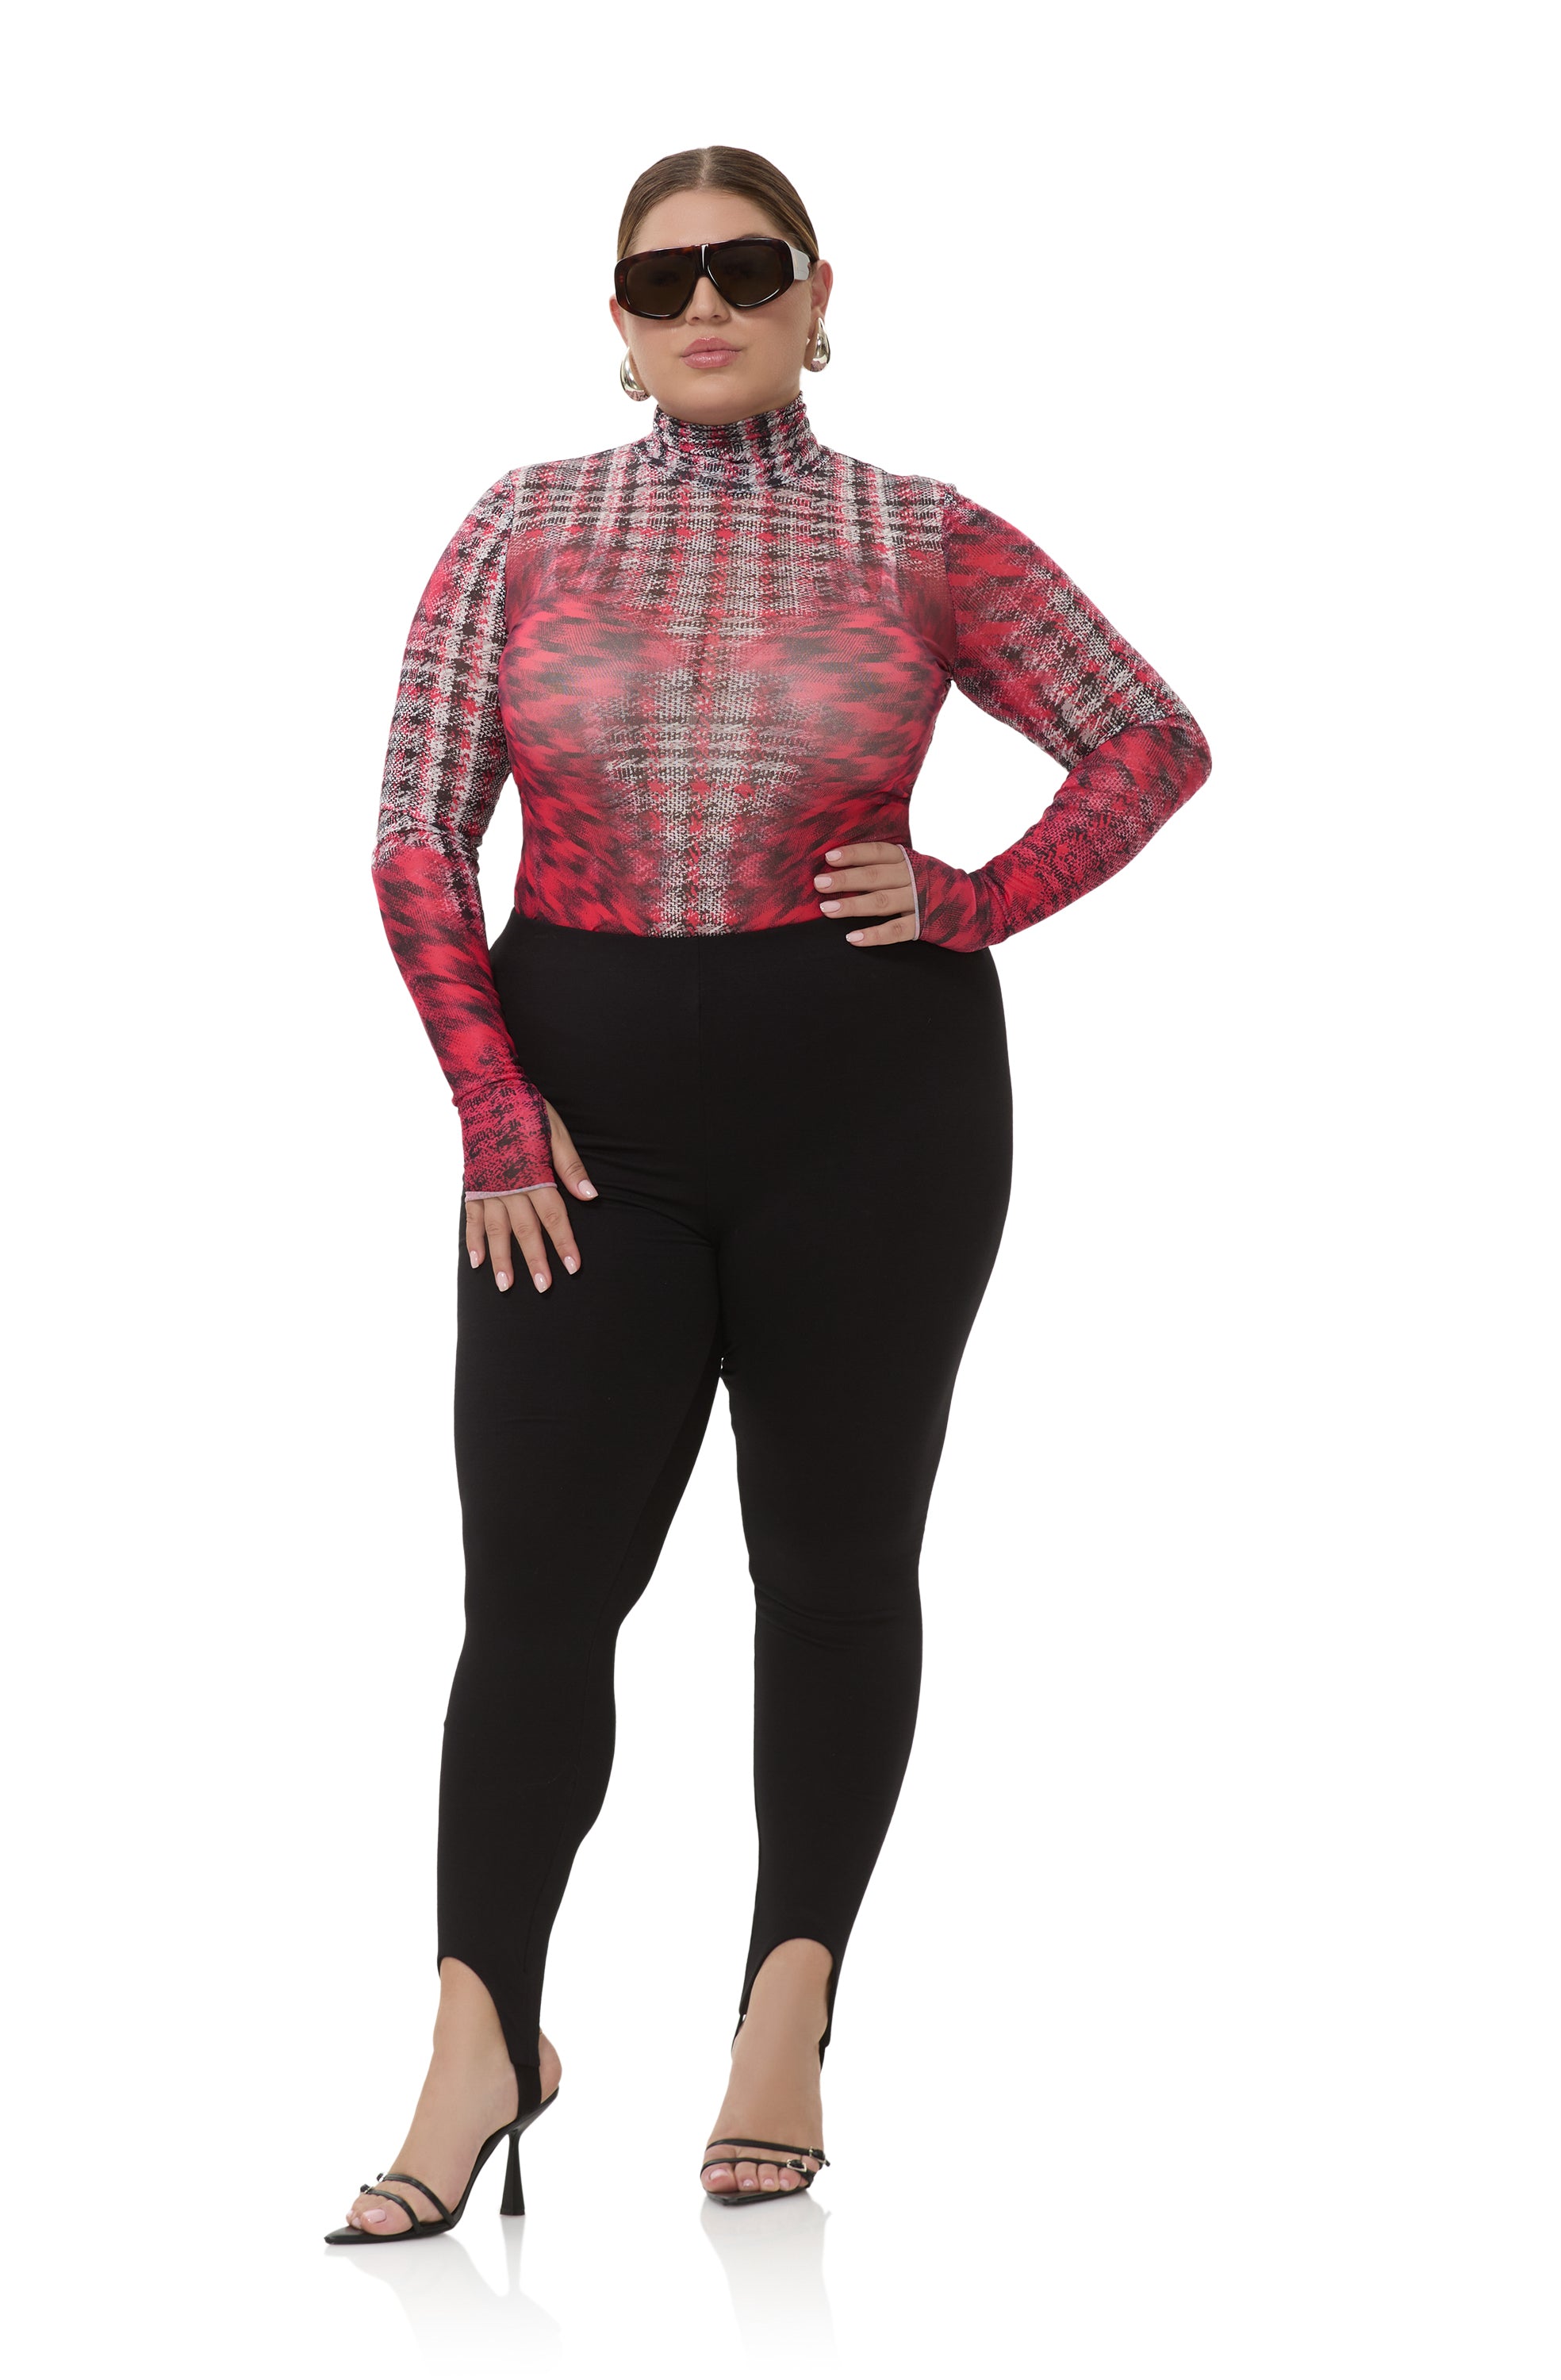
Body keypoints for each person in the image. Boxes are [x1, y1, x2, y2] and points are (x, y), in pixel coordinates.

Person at [327, 143, 1212, 2240]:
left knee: (831, 1566)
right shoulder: (520, 525)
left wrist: (981, 896)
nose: (704, 309)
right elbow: (416, 833)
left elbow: (1150, 739)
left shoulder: (925, 534)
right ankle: (481, 2039)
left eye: (744, 271)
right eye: (663, 283)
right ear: (618, 321)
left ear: (819, 293)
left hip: (875, 1112)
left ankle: (786, 2010)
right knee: (536, 1594)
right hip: (579, 1120)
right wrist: (490, 1104)